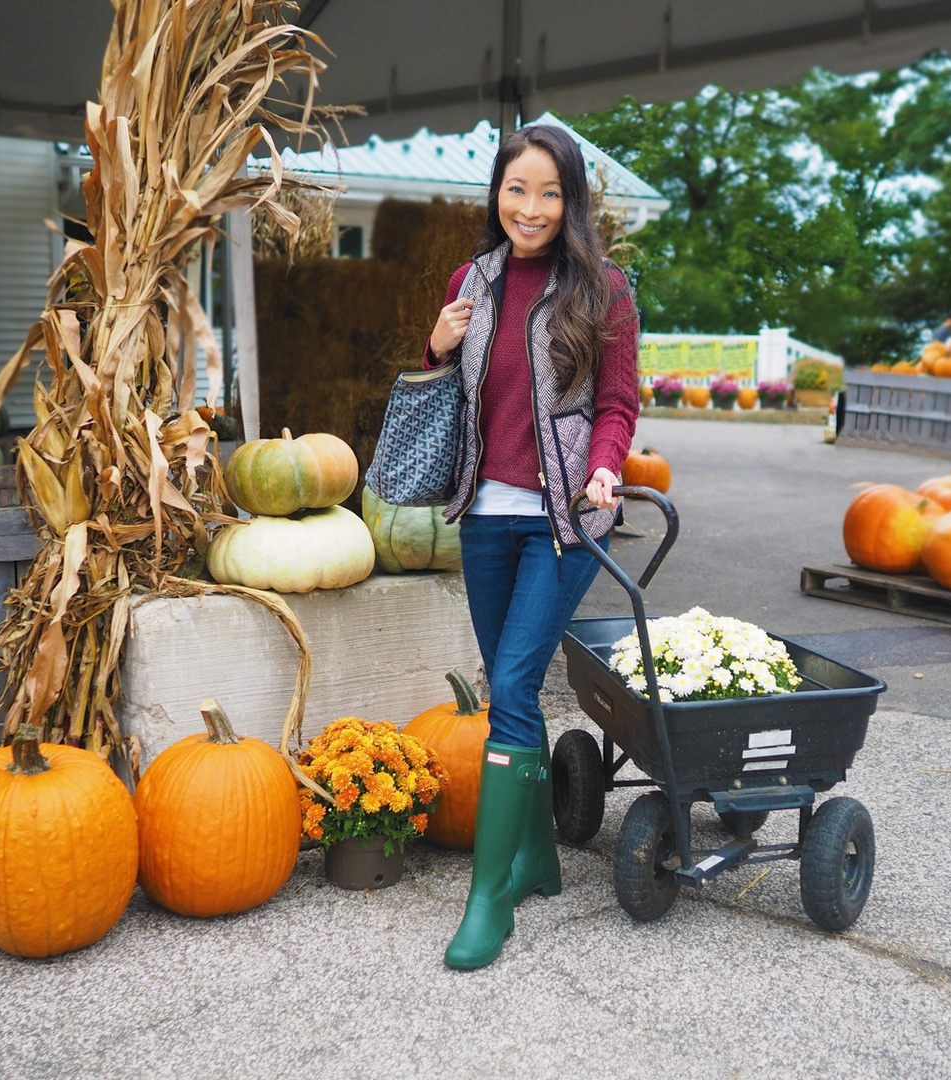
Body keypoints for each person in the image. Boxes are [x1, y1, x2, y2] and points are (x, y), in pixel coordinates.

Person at [425, 123, 639, 970]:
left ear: (571, 200)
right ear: (497, 194)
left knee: (512, 681)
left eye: (550, 193)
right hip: (484, 516)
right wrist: (436, 347)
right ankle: (541, 857)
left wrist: (605, 469)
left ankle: (490, 898)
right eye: (519, 189)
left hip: (564, 521)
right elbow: (450, 399)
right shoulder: (469, 282)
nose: (532, 208)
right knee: (508, 689)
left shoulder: (602, 289)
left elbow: (619, 402)